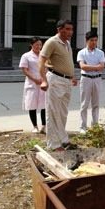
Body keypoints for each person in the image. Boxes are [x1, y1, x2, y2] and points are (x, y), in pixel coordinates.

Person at [38, 20, 77, 151]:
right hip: (55, 80)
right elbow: (41, 60)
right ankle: (53, 144)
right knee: (53, 112)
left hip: (66, 81)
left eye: (71, 29)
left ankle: (63, 139)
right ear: (59, 29)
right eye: (67, 29)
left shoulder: (67, 44)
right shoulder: (52, 42)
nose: (70, 32)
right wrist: (43, 80)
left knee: (63, 112)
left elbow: (67, 61)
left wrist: (72, 76)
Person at [77, 31, 105, 134]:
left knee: (96, 104)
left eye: (96, 40)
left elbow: (102, 67)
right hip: (86, 79)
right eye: (92, 40)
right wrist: (96, 67)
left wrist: (92, 67)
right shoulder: (81, 53)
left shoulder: (100, 53)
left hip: (97, 79)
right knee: (84, 104)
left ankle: (95, 126)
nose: (94, 42)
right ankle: (83, 126)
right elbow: (83, 66)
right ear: (86, 41)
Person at [19, 37, 46, 134]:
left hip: (43, 82)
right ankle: (35, 126)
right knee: (32, 105)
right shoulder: (26, 56)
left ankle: (44, 126)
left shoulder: (44, 55)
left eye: (40, 45)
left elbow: (47, 67)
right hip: (32, 83)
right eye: (36, 45)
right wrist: (34, 79)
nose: (38, 47)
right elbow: (24, 70)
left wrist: (44, 78)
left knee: (44, 105)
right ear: (31, 45)